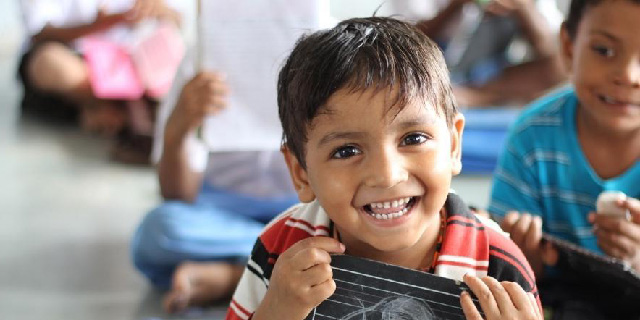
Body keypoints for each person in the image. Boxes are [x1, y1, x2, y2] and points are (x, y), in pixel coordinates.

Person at [226, 17, 542, 320]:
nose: (387, 175)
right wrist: (278, 311)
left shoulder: (500, 270)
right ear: (301, 173)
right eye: (346, 150)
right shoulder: (282, 248)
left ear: (454, 145)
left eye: (413, 138)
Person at [130, 1, 327, 313]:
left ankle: (233, 275)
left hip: (309, 209)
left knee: (358, 235)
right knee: (160, 230)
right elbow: (177, 194)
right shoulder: (199, 62)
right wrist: (178, 128)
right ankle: (277, 261)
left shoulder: (333, 54)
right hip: (221, 211)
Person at [488, 0, 640, 318]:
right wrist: (524, 260)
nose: (628, 75)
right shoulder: (532, 138)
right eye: (604, 50)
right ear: (569, 48)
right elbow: (500, 267)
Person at [18, 0, 181, 162]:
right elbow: (40, 33)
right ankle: (125, 112)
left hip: (131, 61)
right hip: (78, 60)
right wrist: (100, 24)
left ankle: (109, 113)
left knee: (171, 54)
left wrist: (159, 10)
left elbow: (177, 20)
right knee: (51, 62)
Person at [409, 0, 567, 107]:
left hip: (491, 78)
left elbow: (550, 52)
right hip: (434, 68)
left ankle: (472, 97)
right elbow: (406, 42)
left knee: (561, 67)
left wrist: (522, 8)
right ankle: (453, 93)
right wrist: (456, 5)